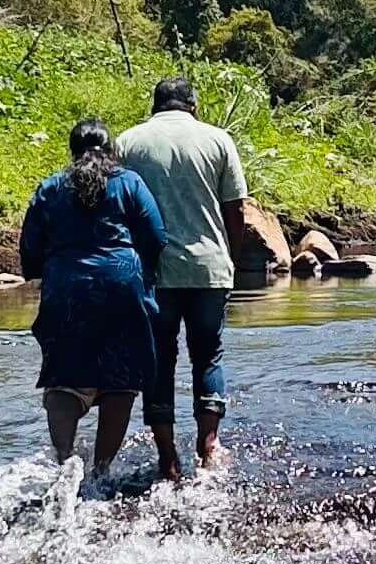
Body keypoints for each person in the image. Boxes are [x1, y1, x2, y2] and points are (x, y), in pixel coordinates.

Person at [115, 74, 250, 483]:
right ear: (193, 105)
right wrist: (233, 260)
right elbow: (236, 210)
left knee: (159, 360)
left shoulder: (128, 142)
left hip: (153, 272)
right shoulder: (218, 140)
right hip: (209, 268)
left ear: (155, 105)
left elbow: (116, 206)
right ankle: (208, 447)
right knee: (208, 355)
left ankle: (167, 458)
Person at [15, 118, 165, 479]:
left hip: (66, 286)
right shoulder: (129, 183)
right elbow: (156, 236)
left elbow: (30, 248)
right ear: (112, 150)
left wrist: (43, 271)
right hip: (121, 284)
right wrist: (143, 275)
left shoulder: (51, 187)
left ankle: (65, 464)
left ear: (72, 151)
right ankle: (100, 471)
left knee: (63, 375)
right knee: (120, 380)